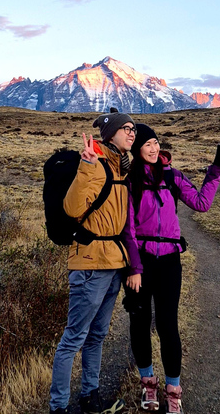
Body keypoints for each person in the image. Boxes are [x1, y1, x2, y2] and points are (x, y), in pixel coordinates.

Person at [122, 123, 220, 414]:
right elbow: (128, 229)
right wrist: (134, 267)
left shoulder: (173, 177)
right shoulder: (130, 183)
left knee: (169, 326)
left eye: (156, 142)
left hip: (170, 262)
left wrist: (215, 171)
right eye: (147, 145)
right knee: (140, 324)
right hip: (140, 264)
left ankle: (173, 390)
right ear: (137, 149)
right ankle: (148, 385)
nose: (154, 148)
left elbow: (202, 203)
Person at [49, 109, 136, 414]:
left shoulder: (121, 166)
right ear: (111, 133)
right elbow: (72, 208)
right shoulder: (97, 163)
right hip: (89, 263)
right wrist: (86, 165)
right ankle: (57, 407)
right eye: (126, 128)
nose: (132, 133)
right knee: (74, 338)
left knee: (97, 335)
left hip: (112, 263)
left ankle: (90, 396)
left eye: (133, 129)